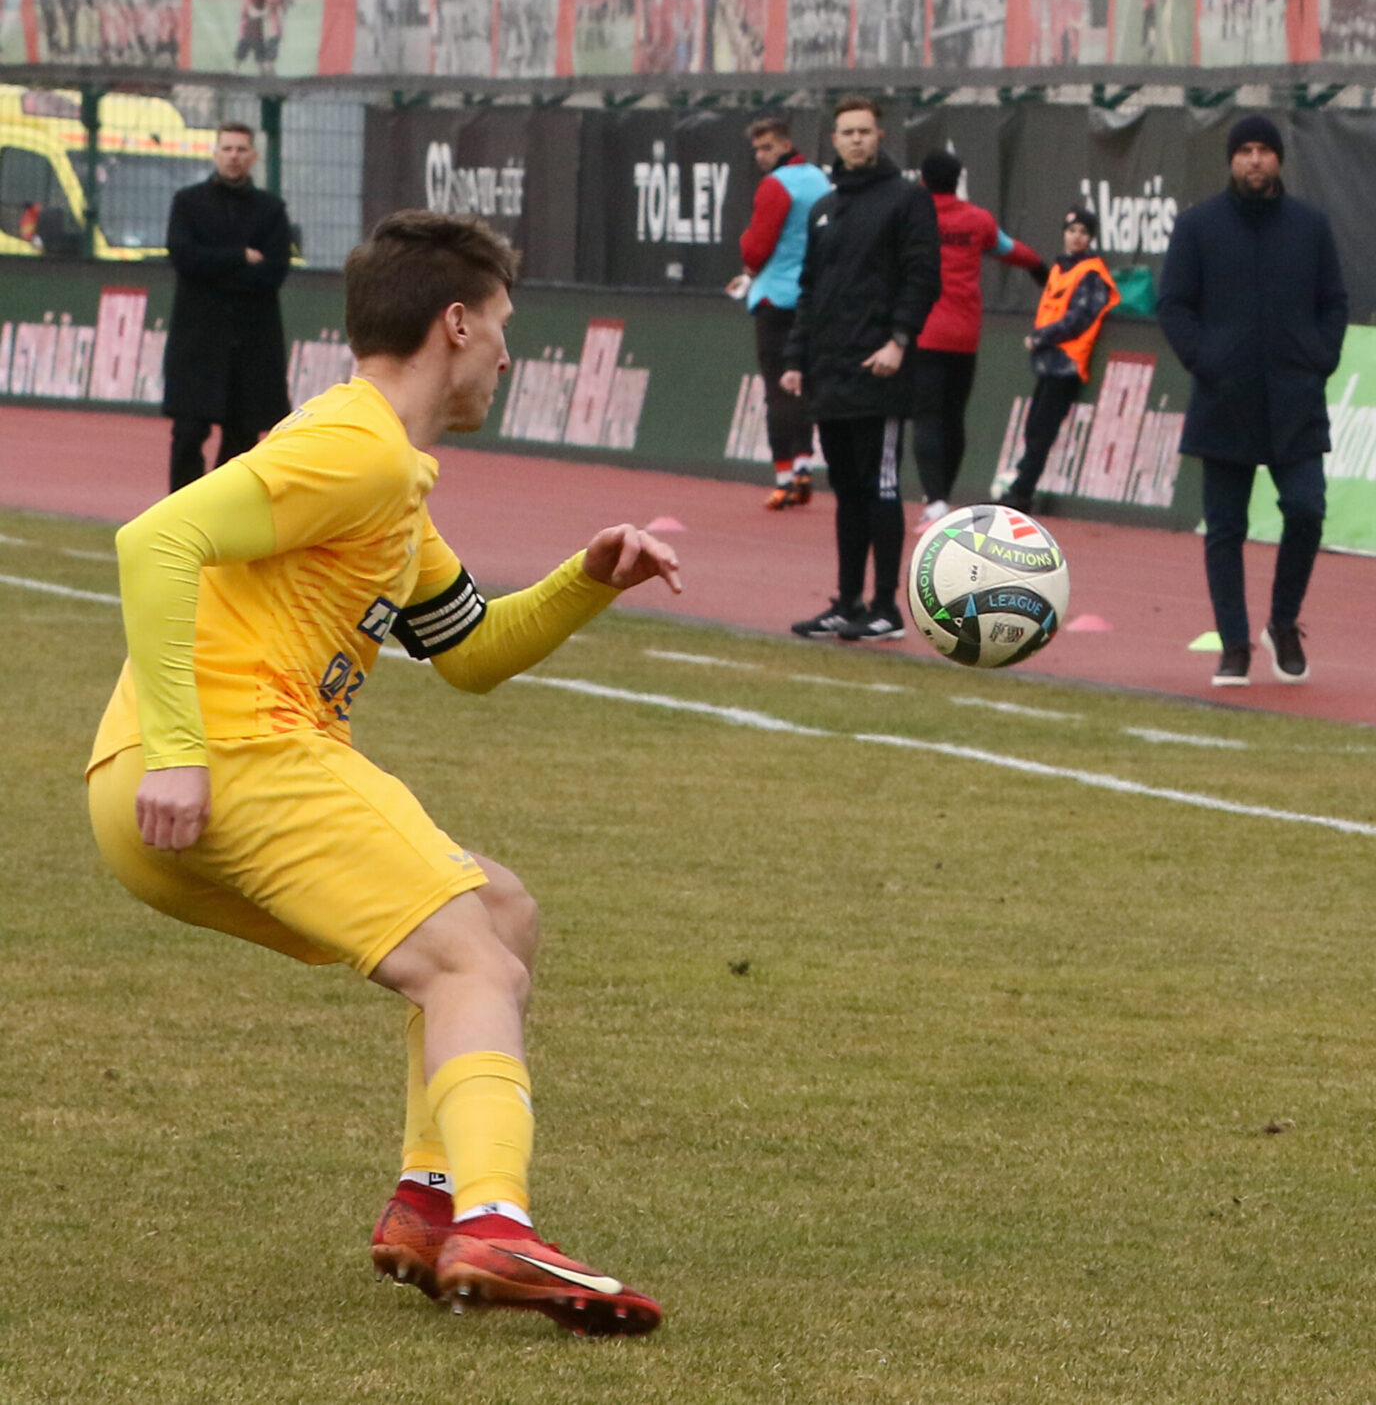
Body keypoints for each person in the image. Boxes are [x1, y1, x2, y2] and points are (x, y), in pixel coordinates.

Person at [88, 210, 680, 1333]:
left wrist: (589, 578)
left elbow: (472, 650)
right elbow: (153, 540)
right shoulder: (354, 445)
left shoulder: (390, 479)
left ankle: (431, 1200)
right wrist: (179, 750)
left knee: (499, 912)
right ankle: (497, 1221)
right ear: (455, 324)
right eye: (502, 324)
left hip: (182, 781)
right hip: (232, 754)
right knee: (472, 961)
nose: (507, 352)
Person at [1159, 114, 1347, 688]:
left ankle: (1283, 623)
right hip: (1225, 399)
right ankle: (1234, 643)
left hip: (1296, 399)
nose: (1256, 159)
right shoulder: (1198, 226)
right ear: (1231, 160)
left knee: (1307, 510)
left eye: (1265, 149)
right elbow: (1174, 305)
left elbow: (1334, 303)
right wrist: (1207, 360)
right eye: (1245, 150)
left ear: (1280, 159)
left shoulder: (1310, 227)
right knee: (1225, 529)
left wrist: (1319, 358)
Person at [782, 98, 942, 644]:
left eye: (864, 131)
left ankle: (885, 607)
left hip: (880, 374)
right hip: (831, 374)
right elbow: (810, 289)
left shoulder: (907, 199)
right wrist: (797, 358)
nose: (856, 140)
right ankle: (847, 601)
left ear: (879, 136)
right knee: (847, 491)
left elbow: (923, 277)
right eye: (847, 132)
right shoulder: (824, 208)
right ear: (834, 140)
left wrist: (899, 341)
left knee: (881, 488)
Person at [913, 149, 1047, 521]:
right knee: (953, 416)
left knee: (926, 417)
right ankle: (944, 495)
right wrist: (1041, 269)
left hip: (923, 332)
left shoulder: (912, 216)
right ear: (959, 180)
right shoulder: (977, 220)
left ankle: (935, 502)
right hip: (964, 334)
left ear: (922, 180)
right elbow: (1010, 250)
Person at [162, 122, 294, 492]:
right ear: (215, 154)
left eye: (241, 149)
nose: (234, 156)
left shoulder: (271, 210)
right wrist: (239, 257)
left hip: (251, 346)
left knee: (242, 440)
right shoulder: (188, 203)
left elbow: (273, 271)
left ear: (253, 157)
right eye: (227, 148)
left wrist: (213, 269)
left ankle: (221, 510)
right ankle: (182, 508)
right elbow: (184, 258)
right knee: (188, 433)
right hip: (197, 343)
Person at [734, 112, 831, 509]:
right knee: (803, 382)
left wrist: (747, 262)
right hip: (815, 298)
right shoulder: (821, 180)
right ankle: (805, 463)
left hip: (775, 299)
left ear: (786, 145)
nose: (761, 155)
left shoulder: (775, 185)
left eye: (767, 147)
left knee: (778, 389)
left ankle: (784, 476)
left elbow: (756, 248)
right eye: (757, 148)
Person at [1001, 207, 1118, 508]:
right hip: (1049, 361)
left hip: (1067, 362)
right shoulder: (1060, 268)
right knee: (1034, 426)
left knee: (1042, 430)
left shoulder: (1091, 272)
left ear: (1091, 238)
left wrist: (1041, 337)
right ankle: (1019, 485)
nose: (1077, 237)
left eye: (1083, 232)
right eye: (1072, 230)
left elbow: (1079, 318)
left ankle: (1021, 493)